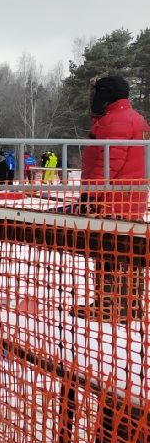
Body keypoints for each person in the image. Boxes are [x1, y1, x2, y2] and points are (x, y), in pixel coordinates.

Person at [71, 76, 149, 321]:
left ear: (107, 94)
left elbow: (109, 162)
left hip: (112, 198)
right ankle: (131, 305)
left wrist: (90, 195)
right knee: (130, 251)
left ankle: (108, 306)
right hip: (132, 196)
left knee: (107, 250)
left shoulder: (115, 121)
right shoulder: (135, 118)